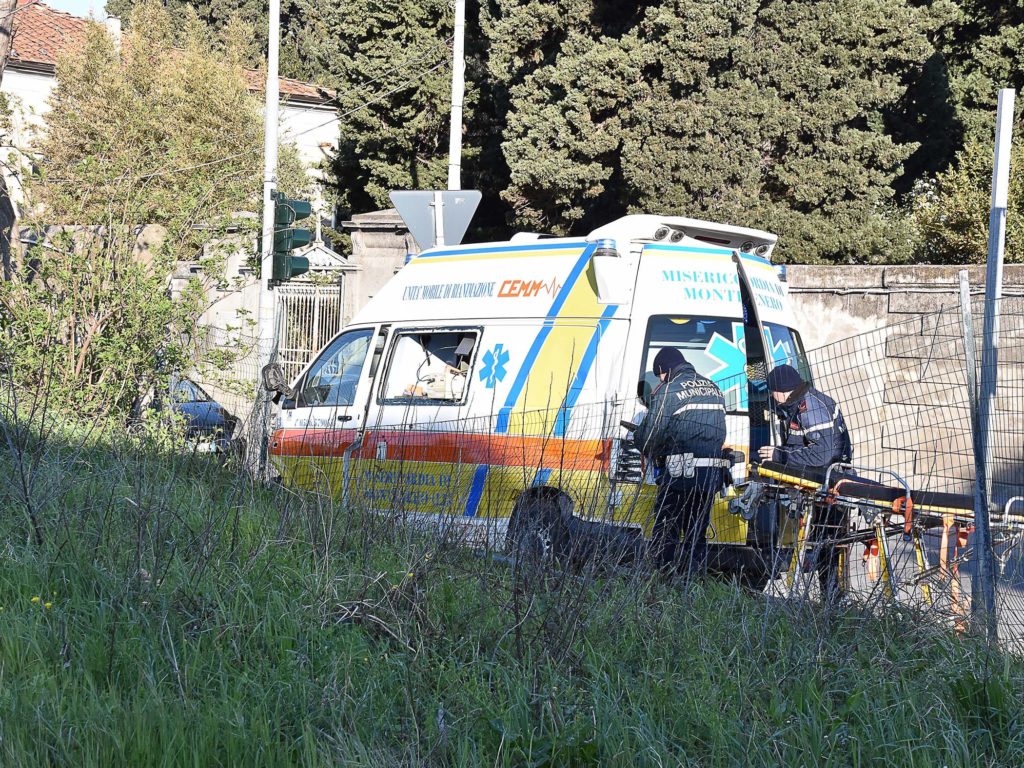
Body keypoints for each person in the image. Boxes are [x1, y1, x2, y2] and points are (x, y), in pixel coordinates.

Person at [756, 364, 852, 601]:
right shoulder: (799, 405)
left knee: (828, 543)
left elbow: (821, 454)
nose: (771, 397)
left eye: (772, 392)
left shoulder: (810, 407)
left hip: (830, 485)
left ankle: (832, 601)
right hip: (824, 482)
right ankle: (830, 600)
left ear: (780, 390)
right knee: (825, 543)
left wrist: (780, 456)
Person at [633, 347, 728, 575]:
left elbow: (650, 436)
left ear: (665, 369)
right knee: (696, 534)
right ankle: (692, 582)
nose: (661, 380)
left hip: (679, 476)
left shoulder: (669, 390)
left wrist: (638, 438)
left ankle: (663, 579)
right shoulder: (714, 388)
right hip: (709, 476)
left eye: (660, 375)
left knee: (667, 531)